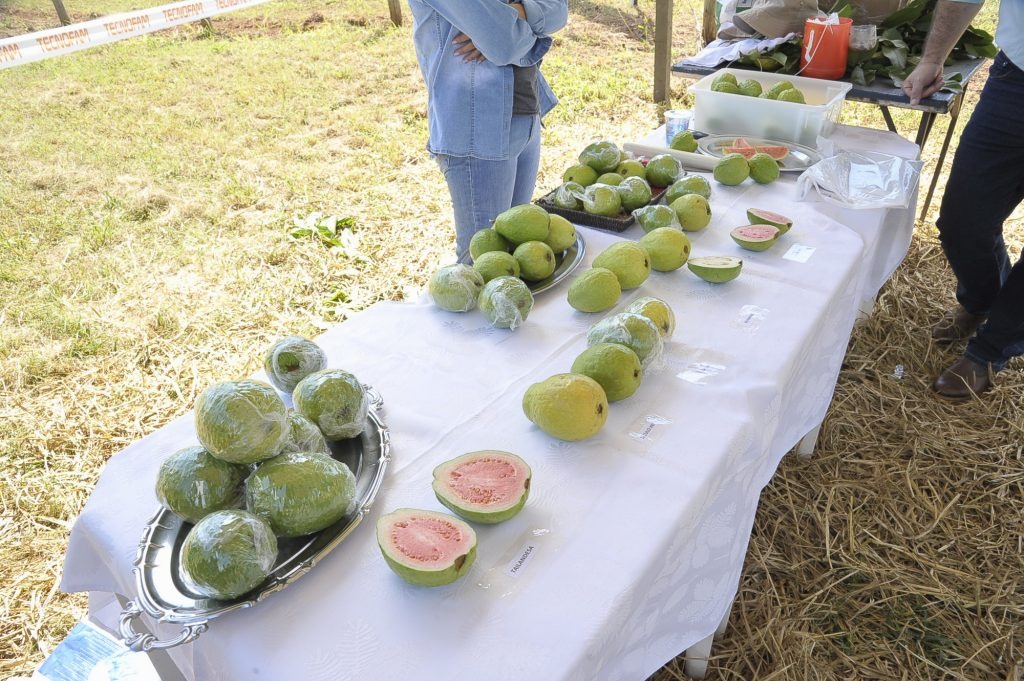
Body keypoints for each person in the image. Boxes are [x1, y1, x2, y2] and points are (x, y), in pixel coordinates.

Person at [902, 0, 1023, 398]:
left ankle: (989, 349)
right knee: (962, 222)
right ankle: (983, 302)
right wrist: (932, 58)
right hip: (1015, 82)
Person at [408, 0, 569, 264]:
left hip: (525, 108)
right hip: (477, 127)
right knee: (483, 264)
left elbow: (559, 9)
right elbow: (504, 41)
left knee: (520, 250)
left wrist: (516, 15)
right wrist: (524, 18)